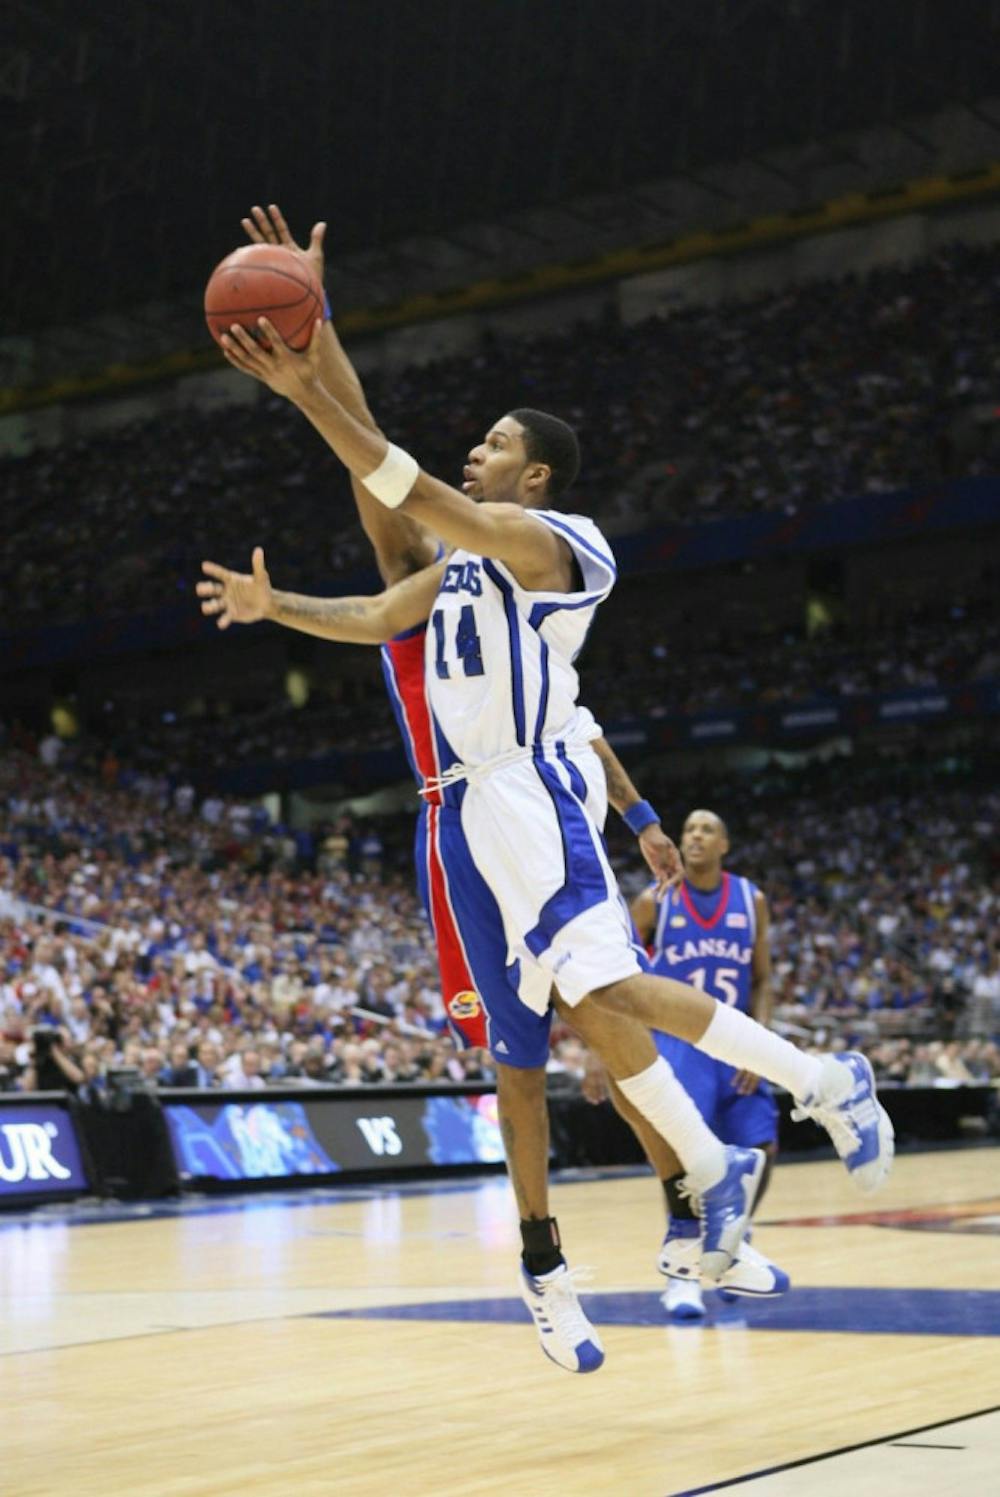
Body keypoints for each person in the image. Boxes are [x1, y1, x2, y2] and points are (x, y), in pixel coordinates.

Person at [207, 207, 894, 1368]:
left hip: (528, 790)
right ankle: (645, 1221)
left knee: (610, 992)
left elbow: (399, 475)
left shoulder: (555, 541)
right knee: (540, 1047)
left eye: (490, 440)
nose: (471, 449)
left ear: (530, 472)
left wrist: (304, 383)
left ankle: (806, 1090)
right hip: (463, 817)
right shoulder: (463, 568)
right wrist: (317, 338)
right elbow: (384, 590)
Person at [621, 808, 786, 1319]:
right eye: (688, 828)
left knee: (762, 1144)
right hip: (678, 1040)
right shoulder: (656, 900)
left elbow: (761, 978)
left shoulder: (749, 899)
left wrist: (760, 1040)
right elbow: (611, 973)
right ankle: (683, 1276)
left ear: (724, 844)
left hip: (735, 1037)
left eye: (706, 829)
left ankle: (731, 1239)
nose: (694, 835)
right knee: (688, 1160)